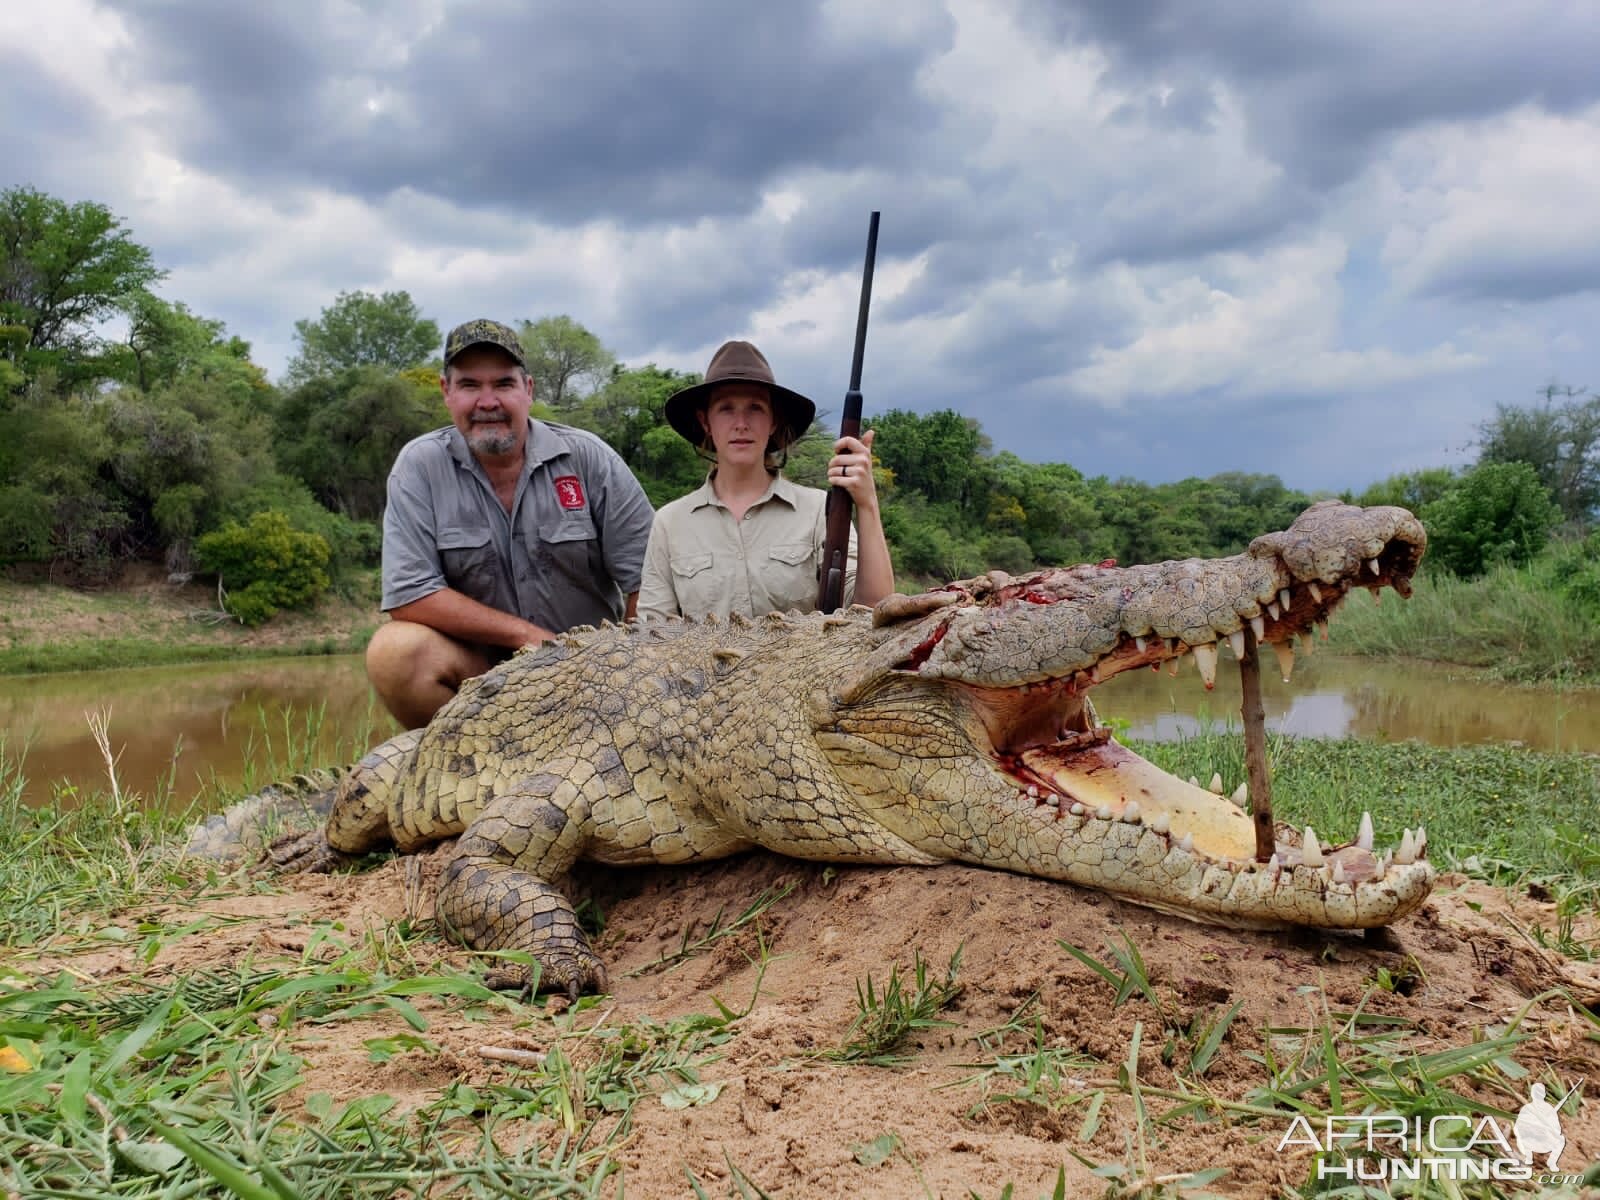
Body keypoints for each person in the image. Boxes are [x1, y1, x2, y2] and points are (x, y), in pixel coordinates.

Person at [368, 318, 654, 728]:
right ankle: (463, 770)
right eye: (470, 385)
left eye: (503, 384)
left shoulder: (590, 458)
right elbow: (410, 593)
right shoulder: (419, 467)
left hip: (593, 675)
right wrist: (527, 637)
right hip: (482, 683)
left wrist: (626, 675)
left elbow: (647, 583)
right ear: (446, 392)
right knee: (392, 652)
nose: (488, 402)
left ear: (528, 390)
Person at [638, 340, 893, 622]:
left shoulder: (819, 511)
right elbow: (652, 636)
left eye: (755, 408)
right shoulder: (669, 524)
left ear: (773, 421)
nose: (741, 423)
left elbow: (874, 609)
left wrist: (867, 503)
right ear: (705, 422)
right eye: (726, 408)